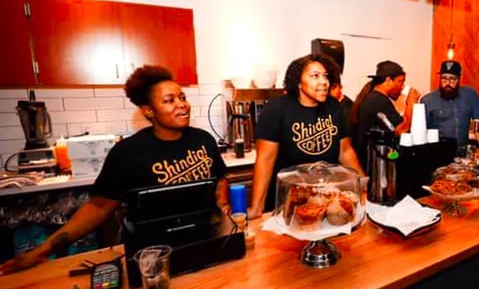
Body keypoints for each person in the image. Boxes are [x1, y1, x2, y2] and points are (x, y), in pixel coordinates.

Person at [0, 65, 230, 275]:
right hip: (154, 255)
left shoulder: (203, 140)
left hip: (205, 241)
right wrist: (42, 250)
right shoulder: (128, 153)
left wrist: (223, 208)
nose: (182, 104)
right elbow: (98, 208)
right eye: (169, 100)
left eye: (182, 97)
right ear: (148, 111)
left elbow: (220, 178)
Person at [248, 53, 364, 219]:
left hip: (326, 198)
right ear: (299, 83)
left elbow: (345, 151)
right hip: (288, 203)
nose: (323, 82)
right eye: (315, 76)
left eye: (325, 76)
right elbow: (265, 159)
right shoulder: (277, 108)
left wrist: (362, 185)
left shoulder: (333, 107)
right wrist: (257, 207)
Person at [353, 60, 420, 170]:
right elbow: (402, 130)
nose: (402, 87)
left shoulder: (374, 98)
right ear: (388, 80)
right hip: (374, 164)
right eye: (400, 82)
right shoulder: (378, 101)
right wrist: (411, 103)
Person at [419, 60, 479, 151]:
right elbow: (421, 133)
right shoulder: (428, 100)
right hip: (438, 152)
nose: (447, 83)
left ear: (459, 79)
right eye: (444, 78)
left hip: (463, 152)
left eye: (452, 79)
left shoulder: (470, 95)